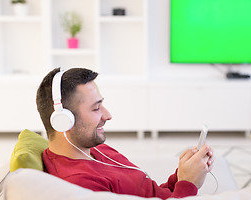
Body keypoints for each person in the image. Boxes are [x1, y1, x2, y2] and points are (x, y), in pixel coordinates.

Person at [36, 67, 215, 199]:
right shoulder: (81, 185)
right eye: (96, 108)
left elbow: (149, 193)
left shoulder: (94, 149)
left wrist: (183, 175)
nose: (108, 115)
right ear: (64, 121)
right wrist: (189, 184)